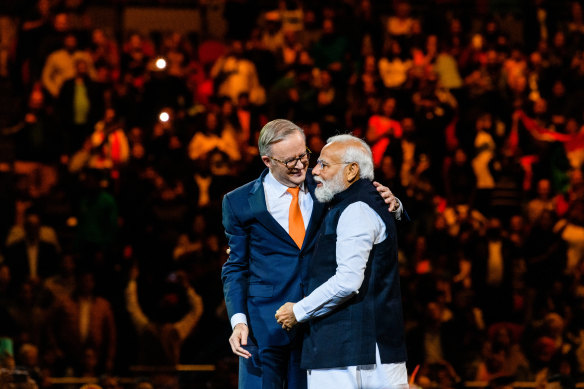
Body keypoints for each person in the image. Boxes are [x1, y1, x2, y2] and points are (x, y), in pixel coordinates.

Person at [221, 120, 401, 388]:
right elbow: (235, 266)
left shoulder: (326, 186)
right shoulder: (238, 201)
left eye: (304, 155)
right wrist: (238, 321)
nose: (301, 165)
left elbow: (364, 203)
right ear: (267, 160)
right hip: (263, 328)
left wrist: (394, 203)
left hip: (316, 326)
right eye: (289, 160)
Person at [275, 134, 408, 389]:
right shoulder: (362, 199)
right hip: (370, 349)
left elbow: (348, 281)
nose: (315, 171)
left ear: (351, 171)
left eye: (324, 165)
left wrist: (298, 311)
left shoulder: (355, 208)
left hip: (348, 352)